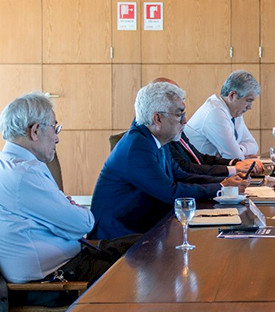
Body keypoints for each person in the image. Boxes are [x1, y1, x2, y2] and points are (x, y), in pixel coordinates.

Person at [90, 82, 247, 240]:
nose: (185, 121)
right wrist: (220, 187)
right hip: (119, 238)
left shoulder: (155, 138)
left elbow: (180, 175)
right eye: (179, 115)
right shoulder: (137, 147)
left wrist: (225, 182)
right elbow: (170, 192)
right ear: (157, 118)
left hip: (146, 227)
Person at [0, 93, 119, 284]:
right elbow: (84, 224)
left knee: (143, 246)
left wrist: (65, 219)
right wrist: (70, 212)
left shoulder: (9, 165)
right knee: (144, 266)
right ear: (36, 131)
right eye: (55, 128)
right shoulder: (24, 174)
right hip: (58, 279)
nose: (57, 139)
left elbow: (69, 224)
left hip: (68, 264)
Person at [150, 78, 262, 178]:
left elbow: (200, 158)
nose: (185, 121)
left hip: (205, 178)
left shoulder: (174, 127)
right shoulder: (158, 137)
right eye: (179, 114)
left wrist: (234, 163)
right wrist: (223, 183)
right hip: (199, 184)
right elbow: (185, 170)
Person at [185, 70, 260, 160]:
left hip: (215, 169)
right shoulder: (215, 112)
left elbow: (254, 146)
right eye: (248, 100)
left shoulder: (234, 112)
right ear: (232, 95)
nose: (250, 107)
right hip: (200, 170)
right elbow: (234, 157)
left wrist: (240, 150)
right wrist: (238, 154)